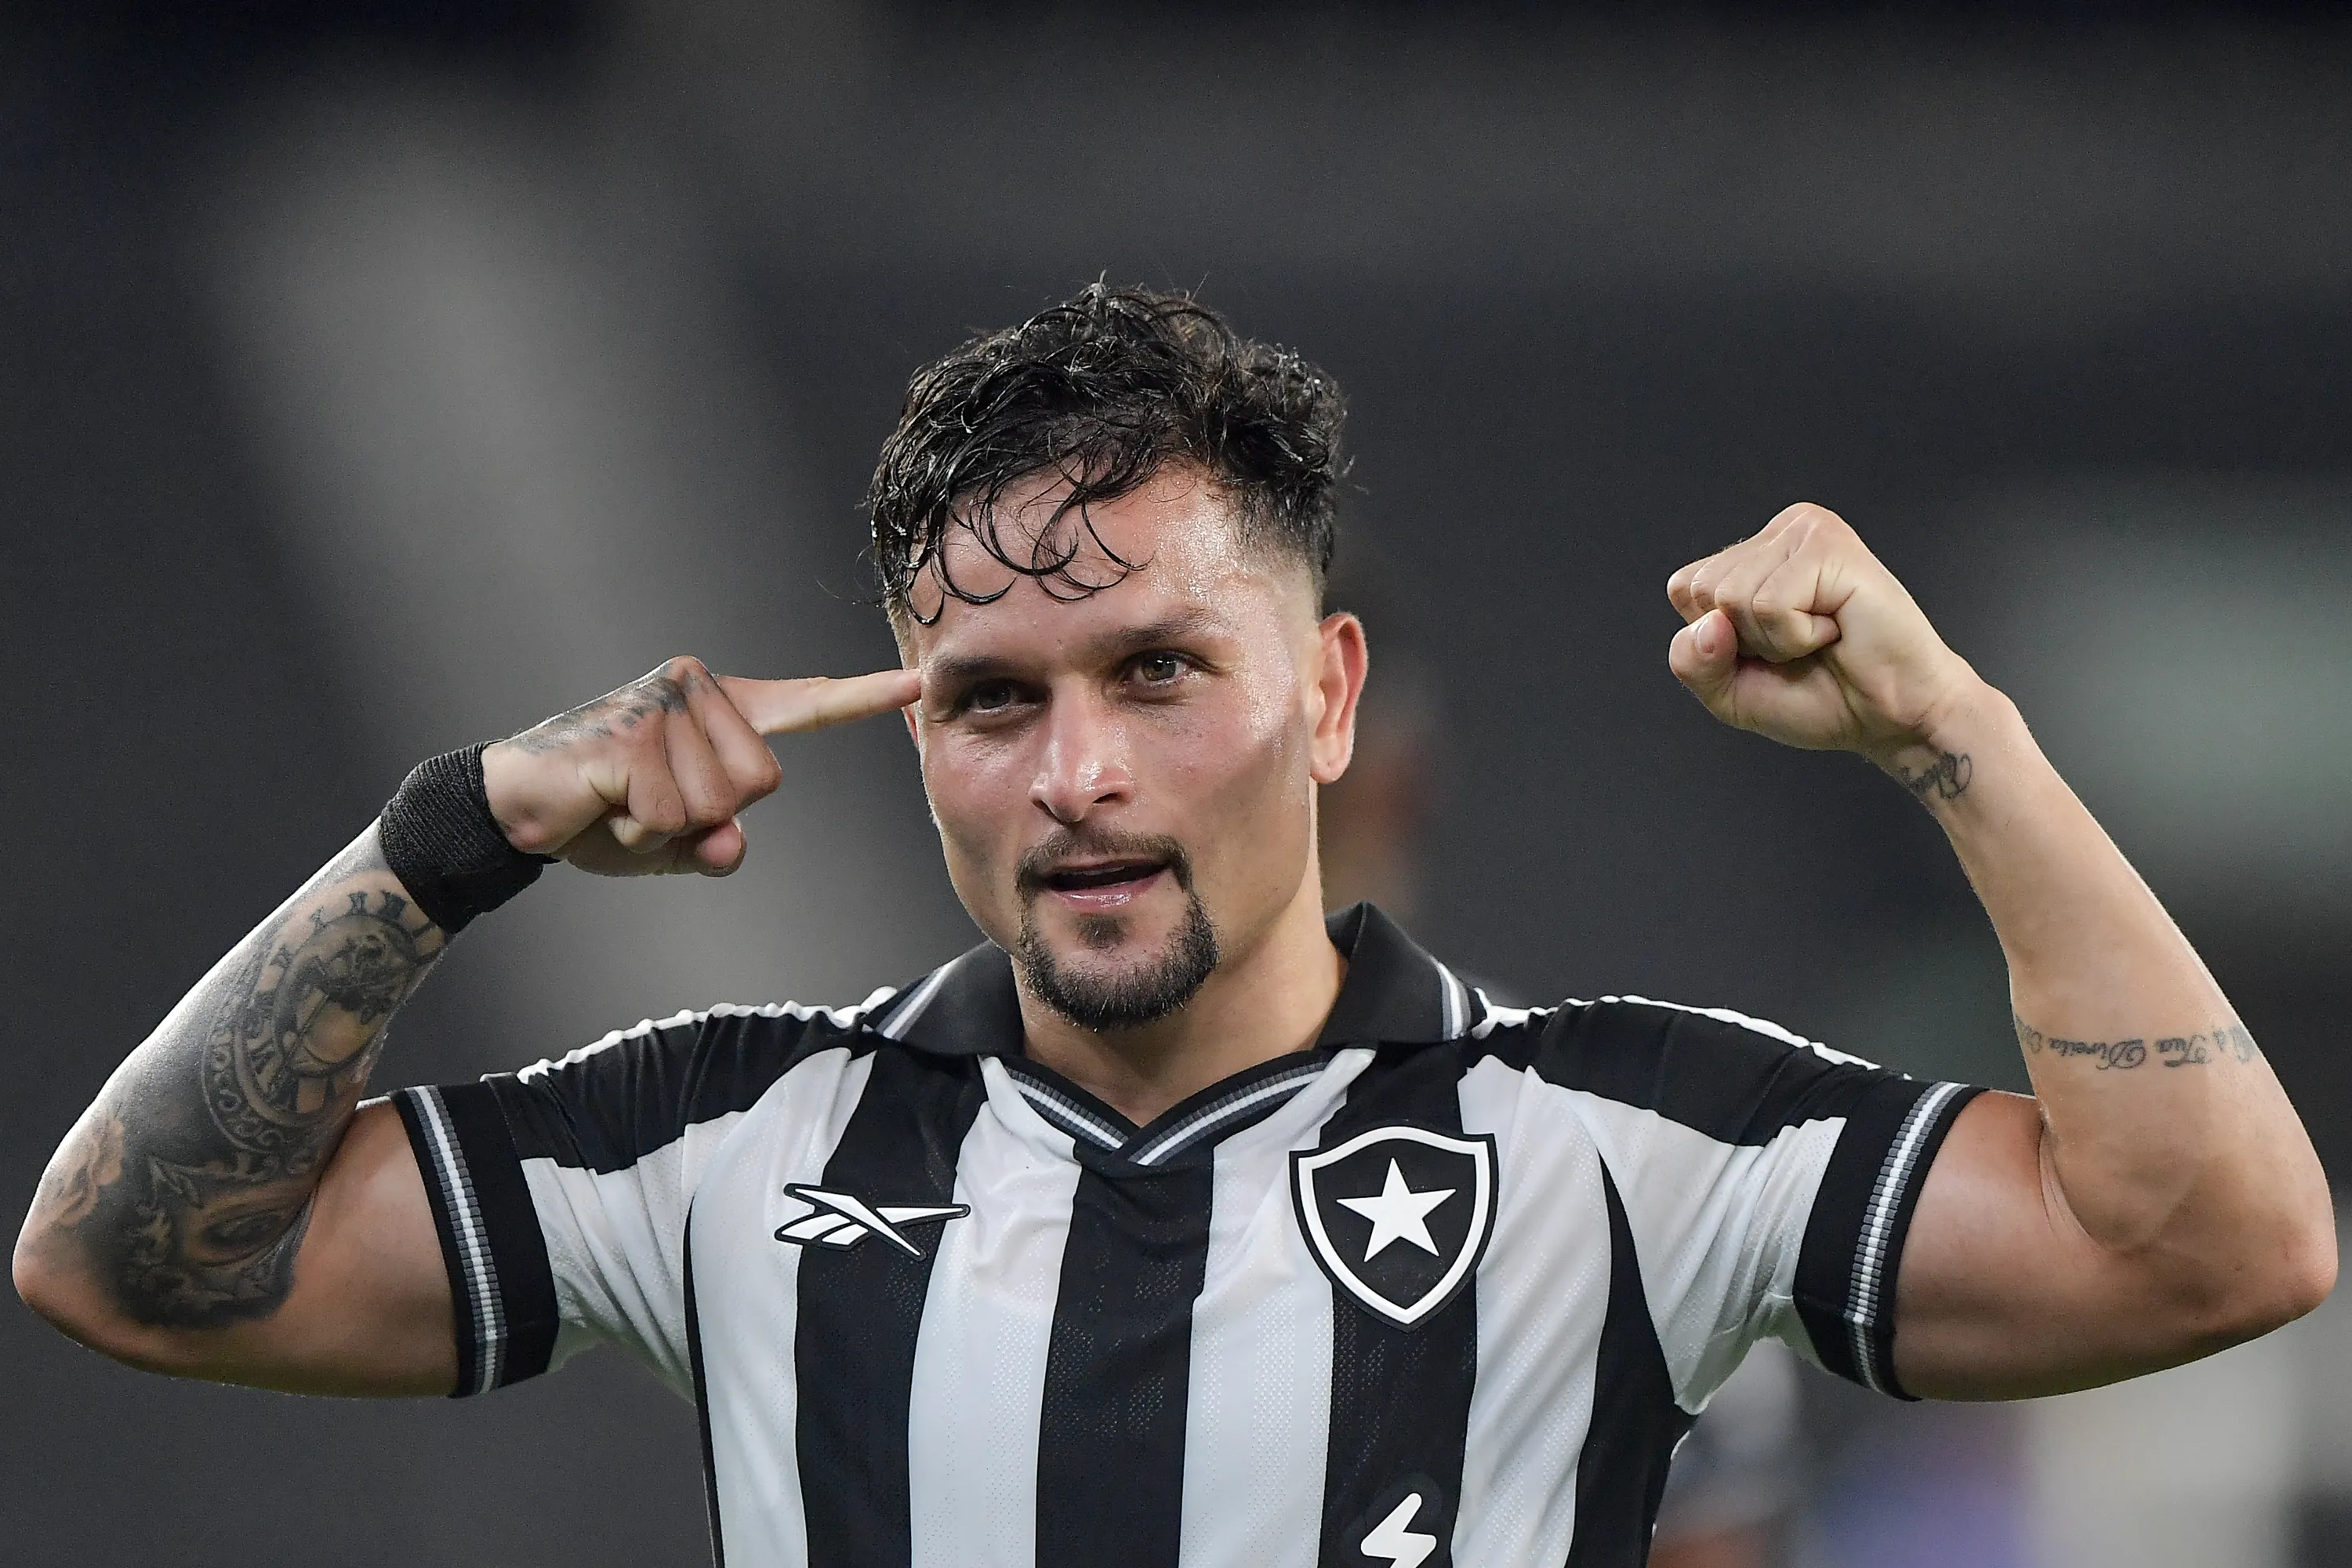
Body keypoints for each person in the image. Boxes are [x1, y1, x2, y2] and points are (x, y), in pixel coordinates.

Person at [15, 285, 2332, 1566]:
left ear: (1325, 699)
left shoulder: (1614, 1137)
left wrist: (1959, 737)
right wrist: (447, 841)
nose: (1080, 776)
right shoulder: (737, 1139)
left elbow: (2209, 1249)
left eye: (1157, 675)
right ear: (917, 740)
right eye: (993, 701)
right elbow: (122, 1268)